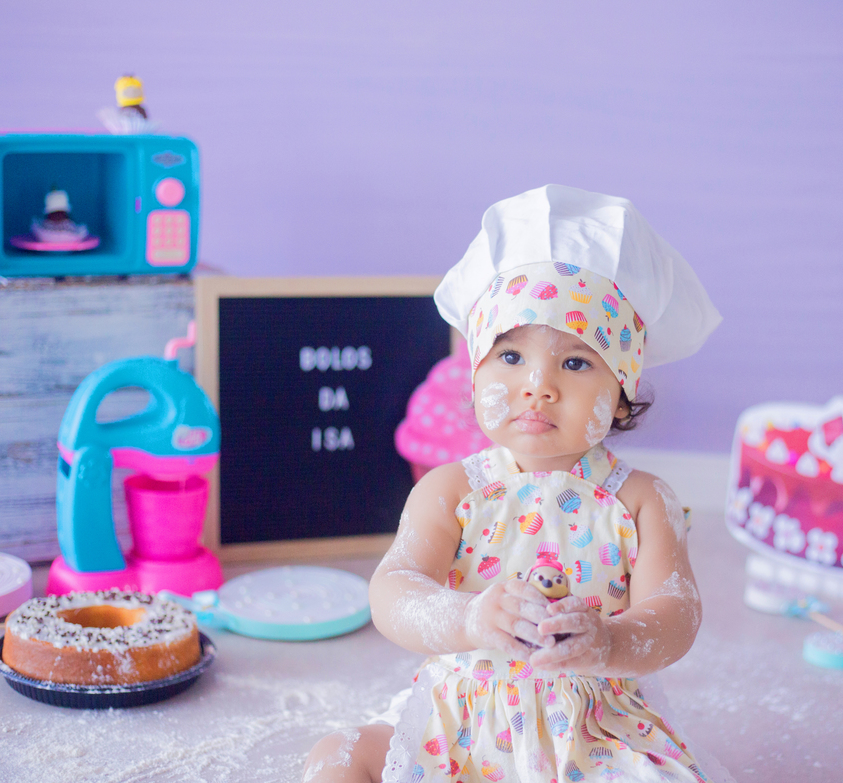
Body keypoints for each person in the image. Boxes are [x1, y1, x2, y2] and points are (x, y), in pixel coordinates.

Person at [303, 184, 728, 783]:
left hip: (591, 733)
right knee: (338, 756)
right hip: (461, 723)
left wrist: (607, 643)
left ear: (623, 389)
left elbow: (675, 615)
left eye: (576, 362)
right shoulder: (451, 490)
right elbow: (393, 591)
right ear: (474, 373)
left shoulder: (641, 500)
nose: (538, 384)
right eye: (509, 357)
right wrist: (471, 619)